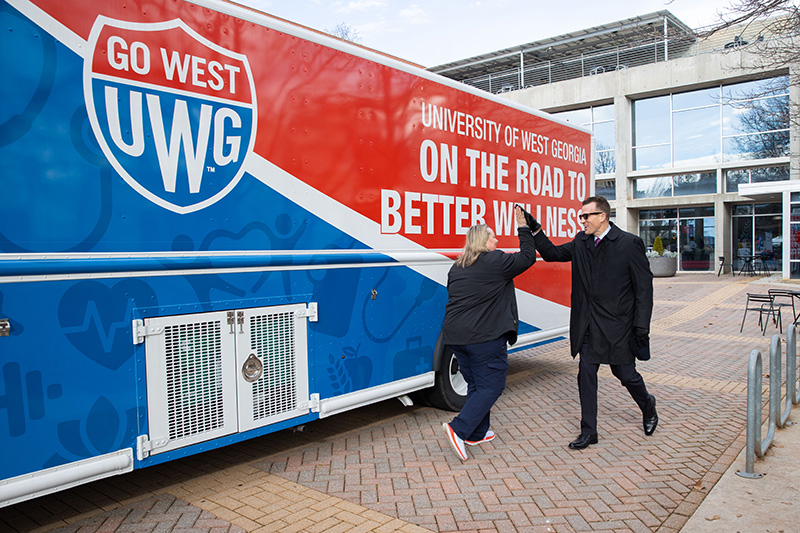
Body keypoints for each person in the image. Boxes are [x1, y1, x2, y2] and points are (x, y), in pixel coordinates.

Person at [530, 196, 658, 450]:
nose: (582, 221)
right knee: (585, 375)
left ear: (603, 216)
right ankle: (589, 431)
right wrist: (536, 230)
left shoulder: (629, 244)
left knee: (625, 374)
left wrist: (641, 326)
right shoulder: (581, 241)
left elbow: (644, 289)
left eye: (586, 216)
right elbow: (553, 253)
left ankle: (648, 405)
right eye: (581, 216)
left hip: (618, 327)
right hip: (588, 325)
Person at [441, 206, 536, 461]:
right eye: (493, 237)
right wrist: (523, 228)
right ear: (483, 241)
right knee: (492, 385)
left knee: (476, 384)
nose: (496, 241)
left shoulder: (457, 267)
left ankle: (476, 433)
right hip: (483, 338)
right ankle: (458, 428)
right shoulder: (495, 261)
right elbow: (528, 257)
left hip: (455, 338)